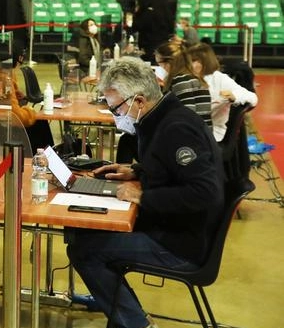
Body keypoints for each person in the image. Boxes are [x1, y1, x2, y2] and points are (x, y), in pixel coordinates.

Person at [67, 57, 225, 328]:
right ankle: (128, 315)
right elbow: (169, 167)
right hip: (172, 228)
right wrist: (138, 171)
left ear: (139, 101)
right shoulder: (161, 118)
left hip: (181, 243)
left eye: (116, 107)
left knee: (84, 251)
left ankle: (136, 323)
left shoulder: (176, 128)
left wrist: (142, 196)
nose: (114, 114)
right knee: (82, 234)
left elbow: (205, 192)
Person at [0, 47, 54, 152]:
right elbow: (17, 116)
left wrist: (18, 99)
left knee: (38, 122)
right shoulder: (5, 79)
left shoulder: (2, 73)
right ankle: (46, 158)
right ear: (19, 58)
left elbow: (6, 103)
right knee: (39, 124)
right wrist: (31, 112)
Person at [187, 42, 258, 142]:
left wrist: (234, 96)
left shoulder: (220, 79)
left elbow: (252, 97)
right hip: (189, 128)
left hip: (210, 133)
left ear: (205, 62)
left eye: (193, 61)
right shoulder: (186, 78)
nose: (189, 65)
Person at [154, 39, 212, 129]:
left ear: (168, 63)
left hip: (193, 138)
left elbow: (186, 117)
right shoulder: (192, 77)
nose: (161, 67)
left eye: (159, 63)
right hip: (201, 135)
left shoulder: (181, 80)